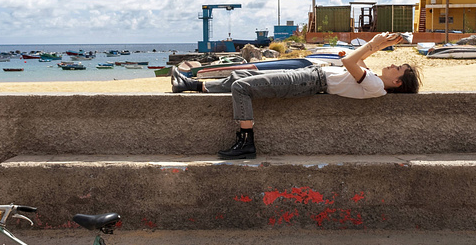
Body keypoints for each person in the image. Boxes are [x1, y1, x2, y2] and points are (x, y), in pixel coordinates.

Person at [171, 32, 421, 160]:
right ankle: (191, 85)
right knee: (242, 75)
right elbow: (356, 59)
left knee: (242, 87)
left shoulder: (375, 86)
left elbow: (350, 62)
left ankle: (246, 143)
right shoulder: (373, 79)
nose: (392, 65)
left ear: (397, 82)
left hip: (309, 81)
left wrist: (372, 43)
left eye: (397, 68)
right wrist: (379, 44)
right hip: (309, 74)